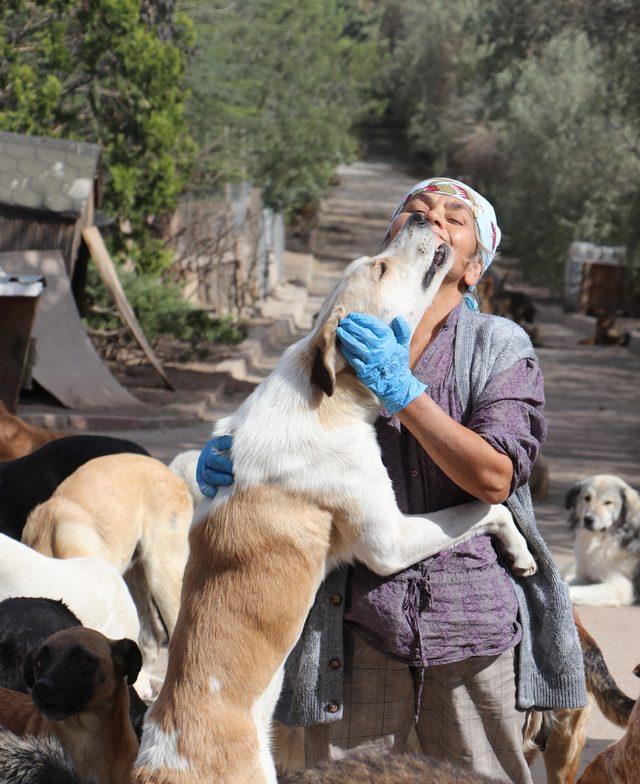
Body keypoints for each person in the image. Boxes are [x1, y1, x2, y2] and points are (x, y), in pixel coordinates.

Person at [195, 178, 586, 783]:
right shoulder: (333, 337)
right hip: (356, 639)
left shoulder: (497, 345)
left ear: (474, 268)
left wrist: (403, 393)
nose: (433, 218)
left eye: (456, 218)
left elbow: (495, 475)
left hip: (472, 637)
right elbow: (264, 433)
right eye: (419, 210)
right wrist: (228, 460)